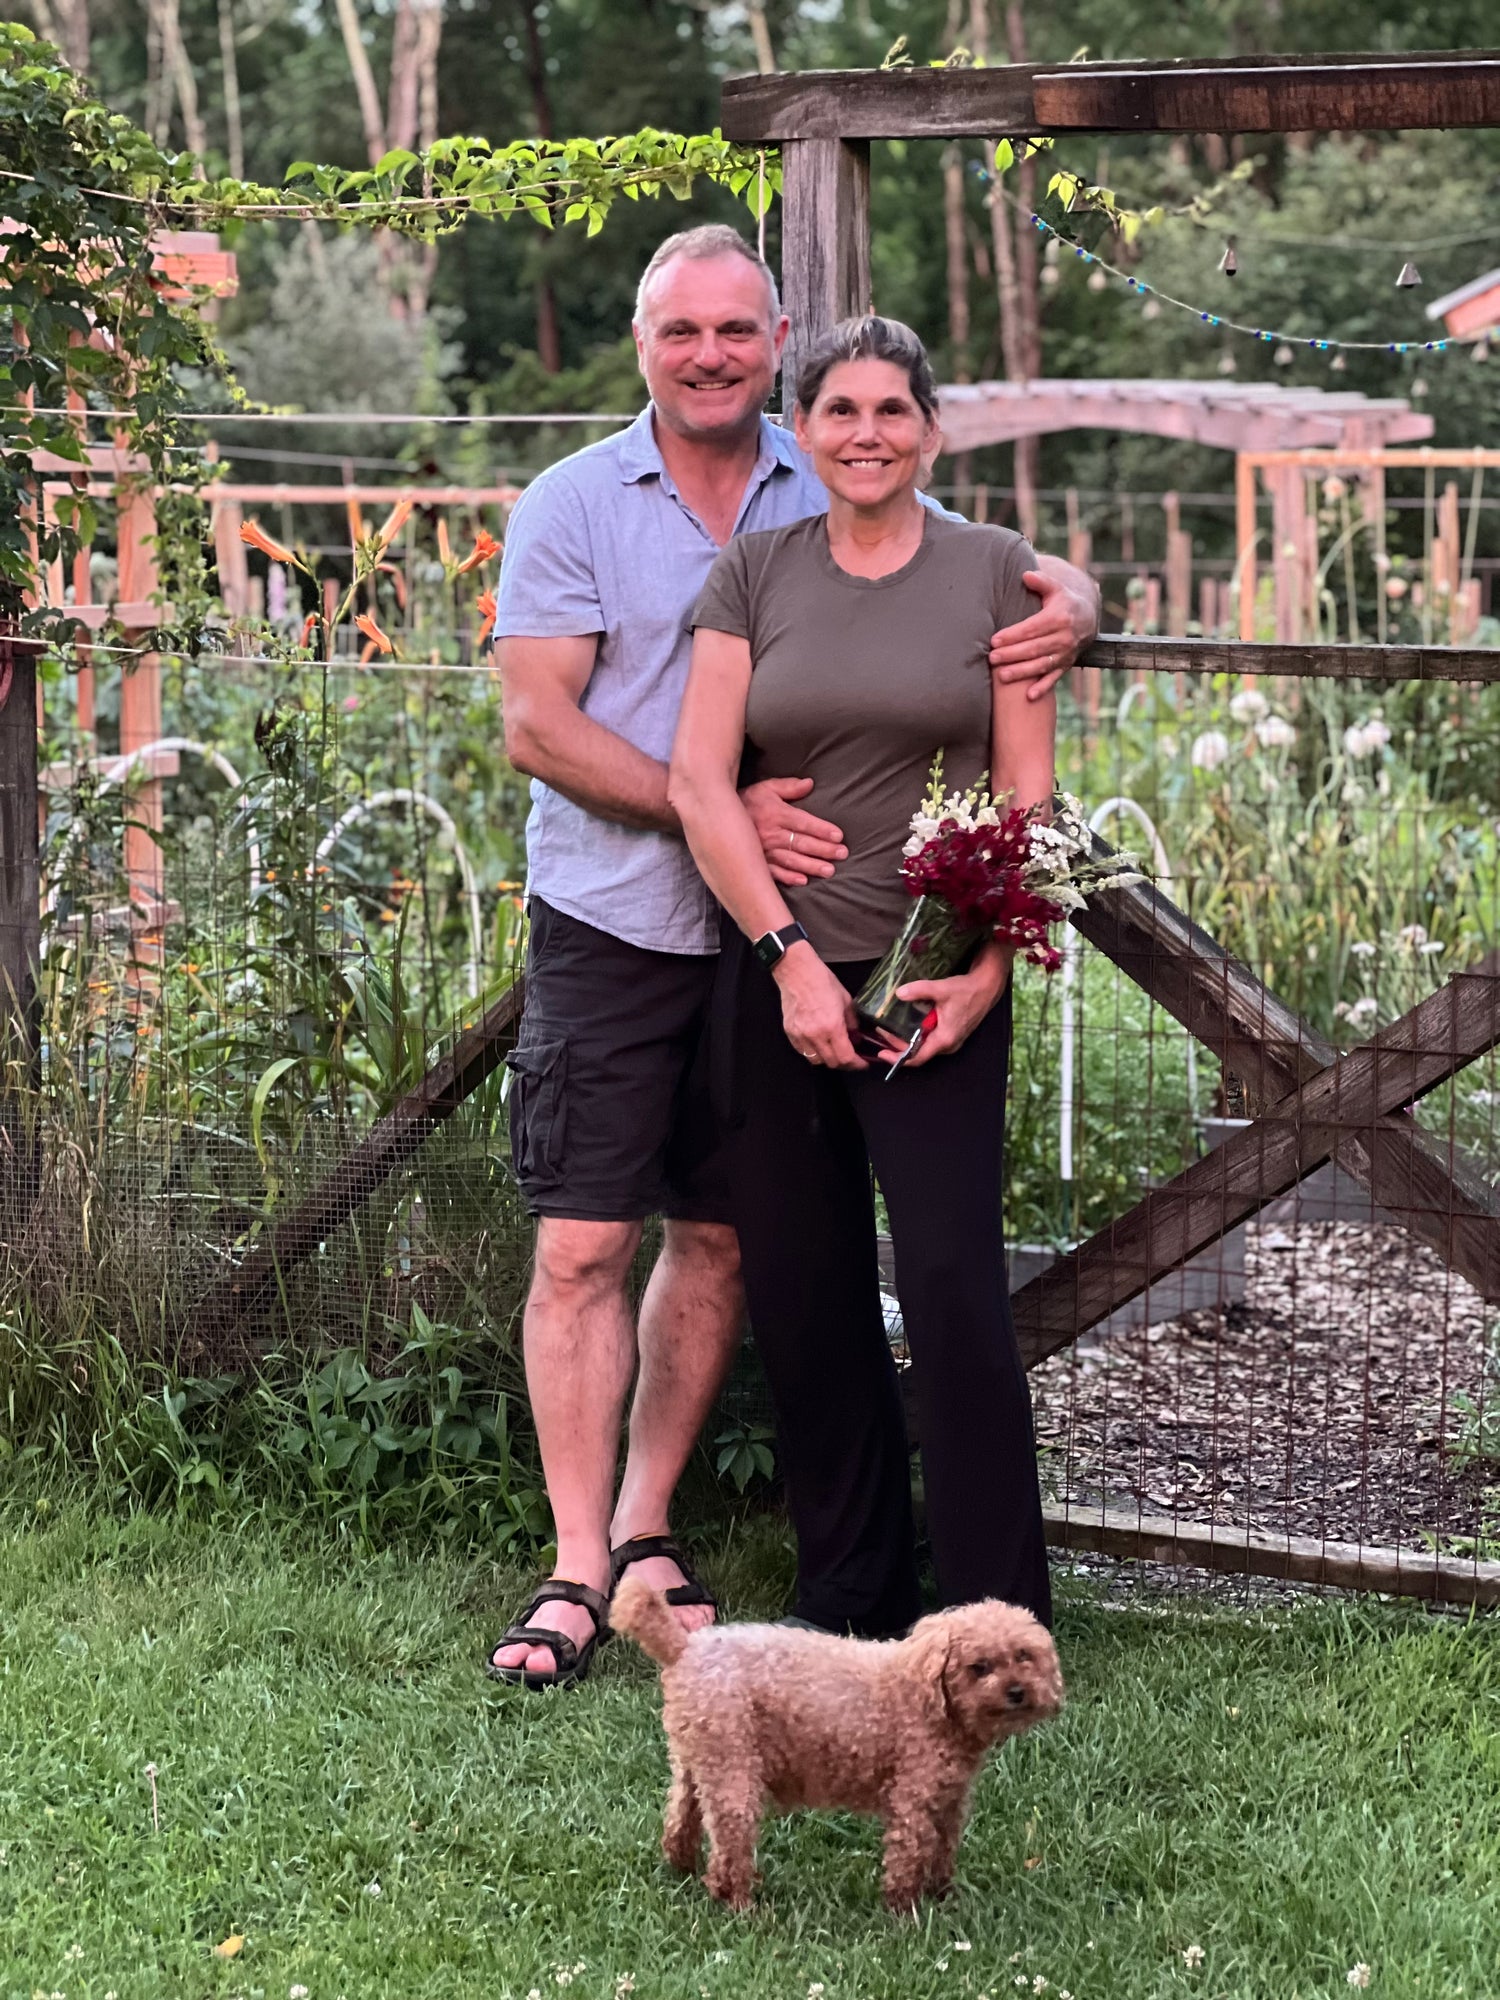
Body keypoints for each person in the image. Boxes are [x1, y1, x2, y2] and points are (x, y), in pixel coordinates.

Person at [488, 228, 1092, 1688]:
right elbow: (595, 743)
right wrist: (768, 913)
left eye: (737, 332)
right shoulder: (640, 524)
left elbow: (1017, 758)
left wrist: (989, 967)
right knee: (696, 1267)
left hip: (882, 969)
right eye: (680, 330)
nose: (710, 354)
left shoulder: (908, 528)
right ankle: (699, 1579)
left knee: (874, 1276)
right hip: (694, 948)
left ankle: (964, 1613)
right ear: (645, 344)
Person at [670, 313, 1056, 1639]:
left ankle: (997, 1612)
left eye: (894, 410)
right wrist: (785, 961)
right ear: (804, 430)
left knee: (952, 1288)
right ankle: (851, 1599)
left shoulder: (995, 570)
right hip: (779, 976)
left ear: (931, 431)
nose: (868, 433)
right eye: (841, 409)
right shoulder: (754, 573)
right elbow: (698, 781)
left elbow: (1028, 798)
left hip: (931, 982)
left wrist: (988, 971)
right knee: (806, 1291)